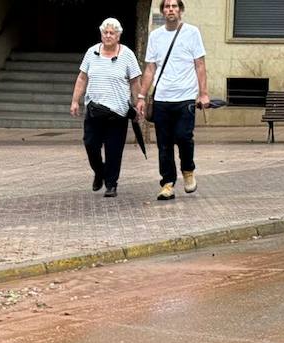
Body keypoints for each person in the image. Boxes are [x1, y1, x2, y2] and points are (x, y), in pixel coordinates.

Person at [136, 0, 207, 201]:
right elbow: (150, 68)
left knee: (184, 137)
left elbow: (200, 64)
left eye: (174, 6)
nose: (170, 10)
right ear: (163, 11)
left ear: (181, 10)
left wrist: (203, 93)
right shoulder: (155, 36)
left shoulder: (192, 33)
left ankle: (188, 170)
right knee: (164, 144)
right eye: (167, 6)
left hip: (185, 97)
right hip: (162, 99)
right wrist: (142, 96)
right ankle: (167, 183)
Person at [69, 18, 141, 198]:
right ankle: (99, 172)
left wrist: (139, 102)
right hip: (94, 110)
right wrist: (75, 100)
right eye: (105, 32)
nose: (108, 36)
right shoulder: (91, 52)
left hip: (118, 112)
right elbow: (82, 78)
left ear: (118, 36)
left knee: (114, 150)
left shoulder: (127, 55)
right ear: (101, 34)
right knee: (90, 144)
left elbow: (135, 82)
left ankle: (111, 184)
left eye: (112, 33)